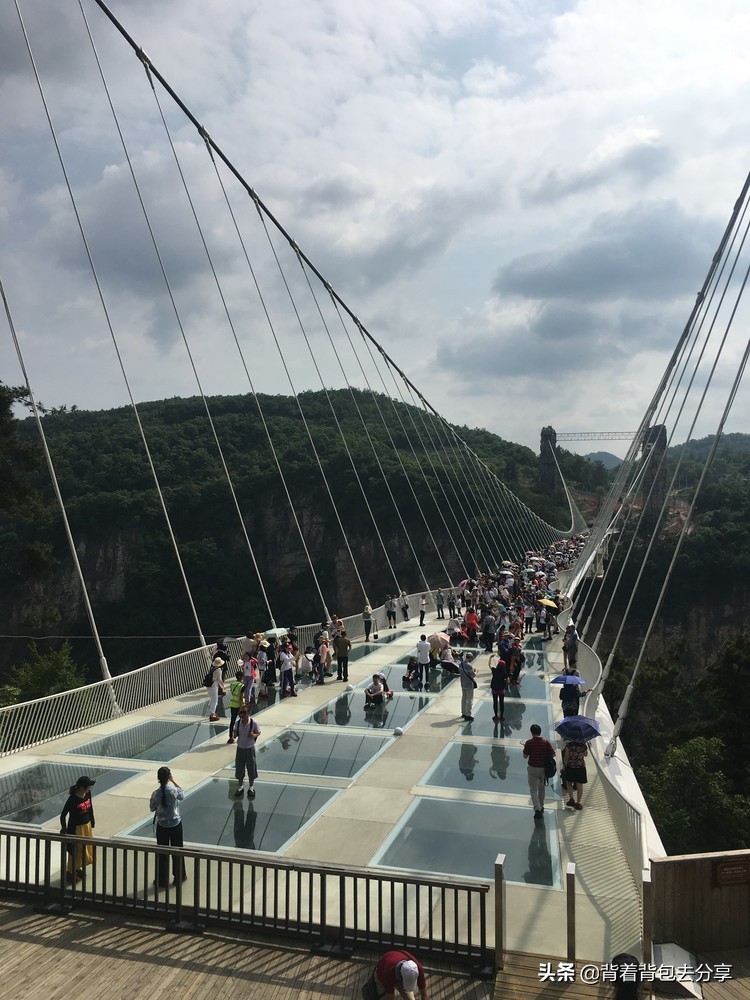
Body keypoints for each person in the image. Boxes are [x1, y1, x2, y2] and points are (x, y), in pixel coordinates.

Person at [149, 766, 186, 887]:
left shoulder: (155, 794)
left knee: (162, 853)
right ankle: (179, 876)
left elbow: (152, 808)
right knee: (178, 851)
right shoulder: (174, 791)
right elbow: (182, 795)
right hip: (175, 825)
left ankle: (162, 879)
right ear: (169, 776)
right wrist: (173, 781)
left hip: (162, 826)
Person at [60, 775, 95, 883]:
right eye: (88, 786)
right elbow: (63, 815)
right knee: (76, 850)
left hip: (87, 826)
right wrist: (64, 828)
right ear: (82, 787)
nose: (89, 788)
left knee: (86, 849)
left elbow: (90, 809)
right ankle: (70, 871)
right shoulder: (73, 799)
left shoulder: (88, 794)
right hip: (76, 829)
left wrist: (92, 822)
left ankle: (77, 868)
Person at [523, 723, 556, 819]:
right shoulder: (546, 742)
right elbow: (553, 754)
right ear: (540, 732)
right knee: (542, 788)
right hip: (543, 769)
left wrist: (525, 747)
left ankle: (537, 809)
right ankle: (541, 806)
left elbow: (525, 756)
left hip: (532, 769)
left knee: (533, 790)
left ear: (531, 732)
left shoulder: (529, 743)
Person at [233, 704, 260, 798]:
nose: (242, 714)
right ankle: (240, 787)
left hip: (249, 748)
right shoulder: (237, 723)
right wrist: (234, 734)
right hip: (240, 748)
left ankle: (251, 787)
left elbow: (258, 732)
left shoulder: (253, 723)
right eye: (240, 712)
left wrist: (254, 735)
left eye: (244, 712)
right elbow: (235, 733)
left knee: (251, 768)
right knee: (239, 768)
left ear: (248, 713)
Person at [561, 740, 588, 810]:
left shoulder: (568, 745)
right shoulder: (583, 745)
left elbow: (566, 758)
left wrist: (564, 767)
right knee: (579, 785)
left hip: (570, 767)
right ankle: (578, 802)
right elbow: (586, 754)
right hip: (580, 767)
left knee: (569, 783)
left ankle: (571, 799)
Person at [227, 669, 245, 743]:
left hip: (232, 704)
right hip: (239, 705)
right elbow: (241, 697)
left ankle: (230, 737)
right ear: (242, 677)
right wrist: (241, 707)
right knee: (243, 721)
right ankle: (242, 736)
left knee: (232, 721)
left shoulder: (232, 684)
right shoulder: (242, 686)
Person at [458, 652, 477, 721]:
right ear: (470, 658)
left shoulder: (461, 664)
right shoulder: (469, 666)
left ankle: (463, 712)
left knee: (464, 698)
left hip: (463, 683)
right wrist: (476, 671)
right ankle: (468, 714)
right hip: (469, 684)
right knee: (469, 699)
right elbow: (473, 675)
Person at [490, 657, 509, 722]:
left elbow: (490, 665)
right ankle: (501, 716)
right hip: (501, 690)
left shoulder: (494, 670)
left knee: (495, 702)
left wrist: (490, 658)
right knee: (501, 703)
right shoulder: (505, 673)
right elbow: (507, 682)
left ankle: (496, 715)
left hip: (494, 690)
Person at [208, 655, 224, 722]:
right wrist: (223, 687)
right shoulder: (218, 670)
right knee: (215, 701)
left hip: (209, 686)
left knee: (212, 699)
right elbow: (219, 680)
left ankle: (211, 712)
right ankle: (212, 714)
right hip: (214, 686)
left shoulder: (212, 668)